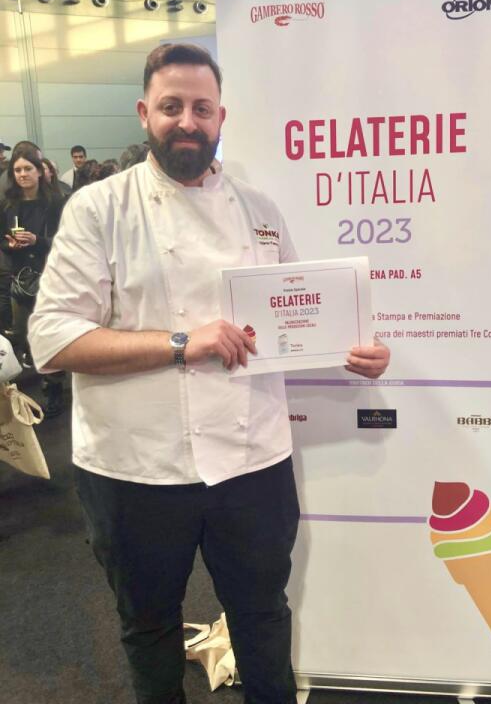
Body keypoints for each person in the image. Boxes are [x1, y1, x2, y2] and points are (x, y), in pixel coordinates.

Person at [29, 42, 390, 704]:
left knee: (263, 615)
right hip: (135, 468)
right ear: (145, 113)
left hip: (253, 461)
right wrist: (180, 342)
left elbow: (296, 316)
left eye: (201, 108)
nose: (187, 121)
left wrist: (353, 348)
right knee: (149, 626)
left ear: (222, 117)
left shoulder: (259, 210)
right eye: (171, 107)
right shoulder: (99, 208)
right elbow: (51, 338)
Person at [0, 149, 63, 373]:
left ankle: (54, 381)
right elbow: (2, 239)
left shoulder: (55, 203)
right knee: (24, 330)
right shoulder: (7, 204)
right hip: (20, 278)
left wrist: (37, 241)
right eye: (17, 170)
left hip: (52, 275)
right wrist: (10, 245)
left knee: (53, 330)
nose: (22, 174)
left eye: (28, 168)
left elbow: (66, 241)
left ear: (39, 171)